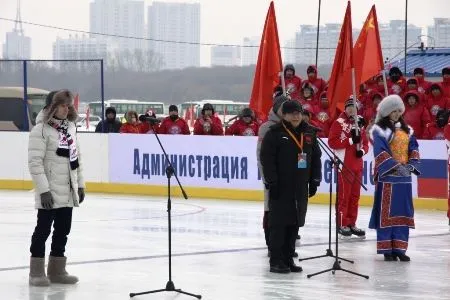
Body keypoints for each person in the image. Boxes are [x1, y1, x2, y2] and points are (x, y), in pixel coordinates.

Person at [28, 90, 84, 286]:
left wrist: (80, 185)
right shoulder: (41, 130)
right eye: (61, 105)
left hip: (67, 191)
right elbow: (35, 163)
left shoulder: (70, 128)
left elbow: (76, 160)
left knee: (63, 230)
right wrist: (43, 190)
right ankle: (36, 272)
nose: (66, 109)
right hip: (49, 193)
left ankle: (57, 271)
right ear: (51, 106)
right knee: (42, 231)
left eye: (68, 105)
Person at [260, 100, 322, 273]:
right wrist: (272, 182)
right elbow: (267, 159)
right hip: (281, 186)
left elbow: (315, 158)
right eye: (292, 113)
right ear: (284, 115)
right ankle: (276, 260)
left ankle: (288, 258)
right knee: (279, 225)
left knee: (294, 224)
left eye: (298, 112)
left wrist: (315, 180)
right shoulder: (275, 133)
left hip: (300, 186)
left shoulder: (309, 133)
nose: (296, 115)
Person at [369, 94, 420, 262]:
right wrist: (396, 167)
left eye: (399, 110)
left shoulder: (408, 130)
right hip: (388, 177)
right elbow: (380, 151)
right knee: (387, 213)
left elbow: (414, 148)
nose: (397, 113)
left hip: (404, 178)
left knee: (403, 212)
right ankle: (387, 248)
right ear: (386, 112)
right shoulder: (380, 130)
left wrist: (410, 166)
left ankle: (399, 247)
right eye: (393, 110)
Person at [328, 97, 369, 239]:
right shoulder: (338, 123)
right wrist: (351, 140)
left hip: (358, 165)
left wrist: (362, 151)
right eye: (349, 107)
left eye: (354, 107)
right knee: (344, 197)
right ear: (345, 108)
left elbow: (365, 144)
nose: (351, 109)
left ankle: (352, 222)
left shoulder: (360, 124)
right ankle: (342, 223)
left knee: (354, 197)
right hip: (344, 165)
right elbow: (332, 142)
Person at [256, 96, 286, 256]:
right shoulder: (266, 128)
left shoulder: (292, 127)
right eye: (282, 108)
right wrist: (267, 178)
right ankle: (271, 244)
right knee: (271, 210)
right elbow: (261, 155)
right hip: (272, 178)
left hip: (289, 178)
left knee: (287, 212)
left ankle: (285, 244)